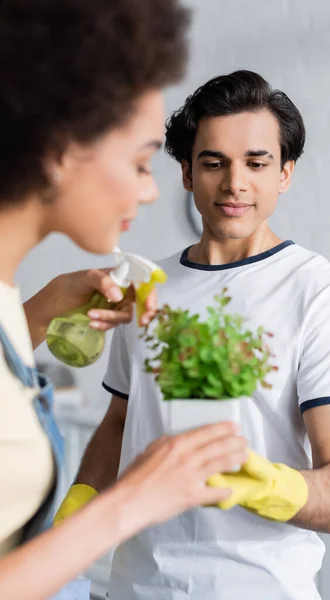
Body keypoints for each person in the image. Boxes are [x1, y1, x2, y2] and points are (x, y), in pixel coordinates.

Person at [63, 70, 330, 600]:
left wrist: (267, 487)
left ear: (285, 174)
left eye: (257, 163)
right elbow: (121, 421)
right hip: (130, 590)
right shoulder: (147, 288)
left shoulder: (322, 296)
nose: (235, 183)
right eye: (214, 163)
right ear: (186, 173)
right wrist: (76, 508)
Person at [0, 2, 248, 598]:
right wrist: (133, 500)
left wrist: (36, 315)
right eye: (141, 162)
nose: (150, 188)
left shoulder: (14, 301)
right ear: (62, 151)